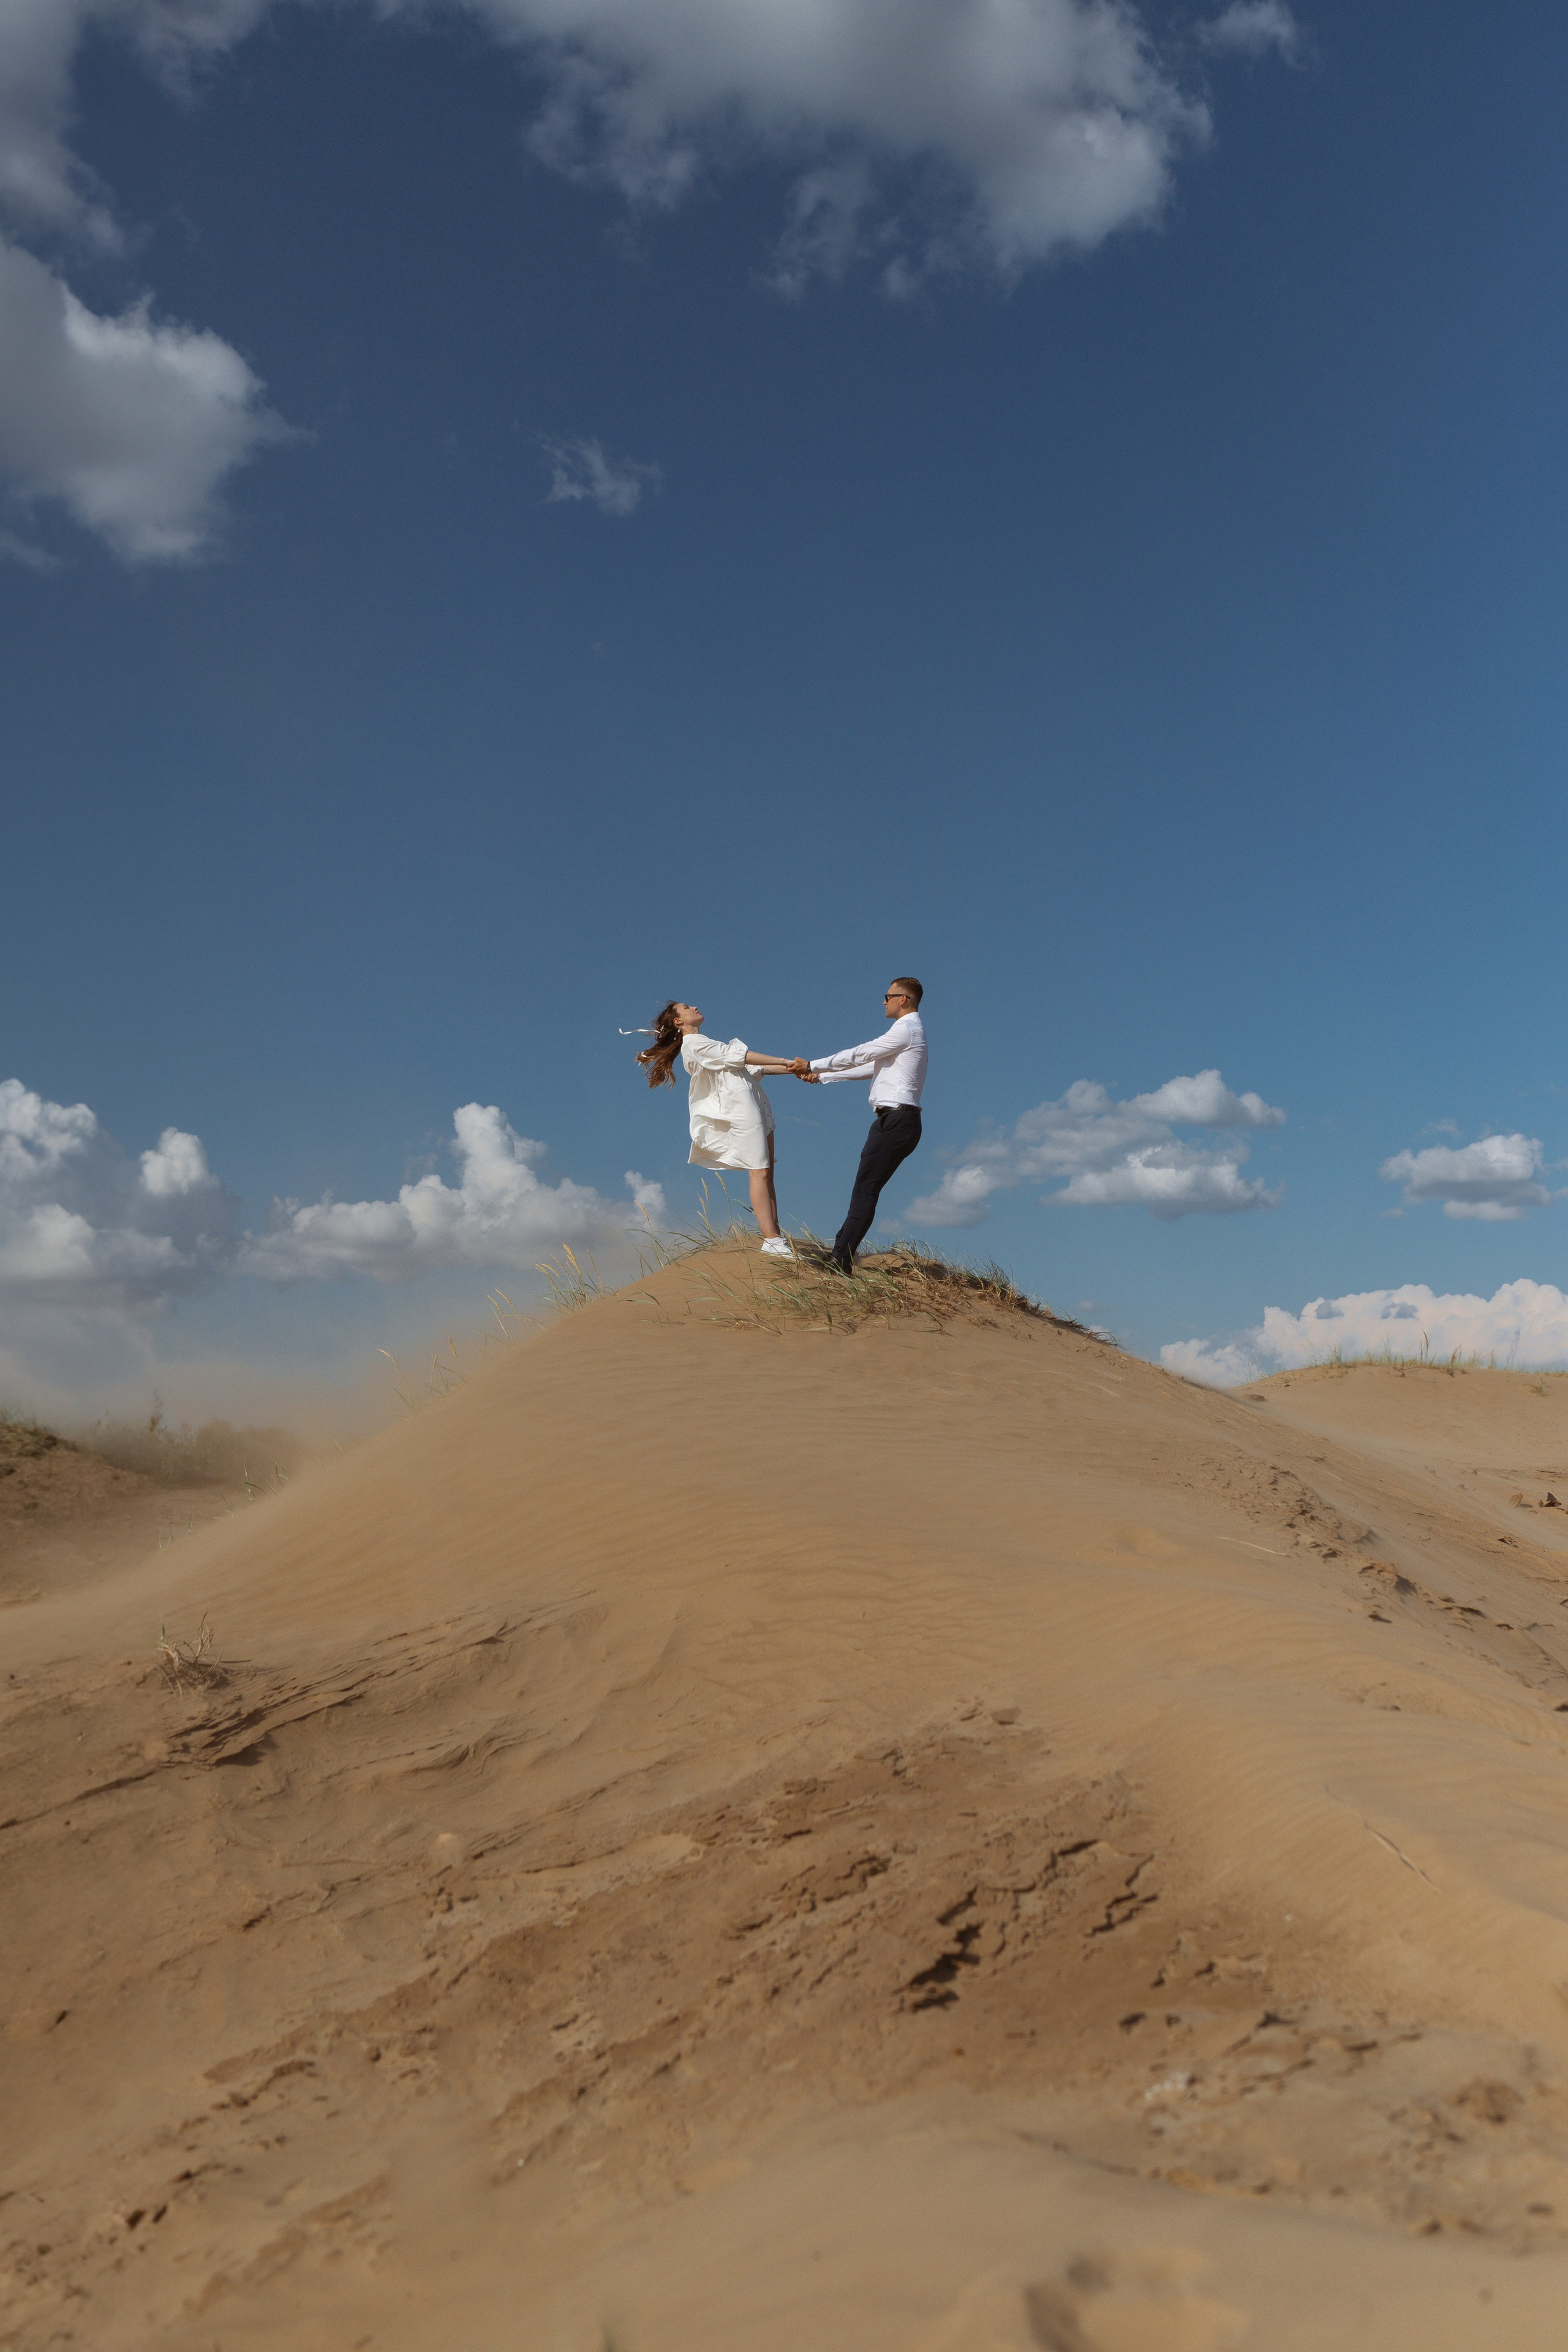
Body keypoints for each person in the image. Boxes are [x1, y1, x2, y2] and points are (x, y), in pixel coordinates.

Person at [637, 1001, 809, 1257]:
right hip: (741, 1113)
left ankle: (776, 1236)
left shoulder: (705, 1042)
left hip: (756, 1107)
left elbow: (754, 1068)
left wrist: (797, 1069)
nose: (695, 1007)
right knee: (759, 1172)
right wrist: (787, 1061)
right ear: (678, 1021)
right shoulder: (694, 1044)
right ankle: (772, 1240)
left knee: (767, 1173)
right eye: (686, 1007)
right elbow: (742, 1056)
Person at [796, 978, 927, 1275]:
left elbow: (863, 1053)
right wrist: (824, 1077)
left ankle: (840, 1259)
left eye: (888, 996)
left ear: (903, 999)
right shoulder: (907, 1033)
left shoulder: (906, 1029)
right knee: (865, 1189)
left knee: (866, 1190)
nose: (884, 1001)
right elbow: (872, 1067)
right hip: (894, 1120)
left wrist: (813, 1065)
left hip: (897, 1119)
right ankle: (839, 1254)